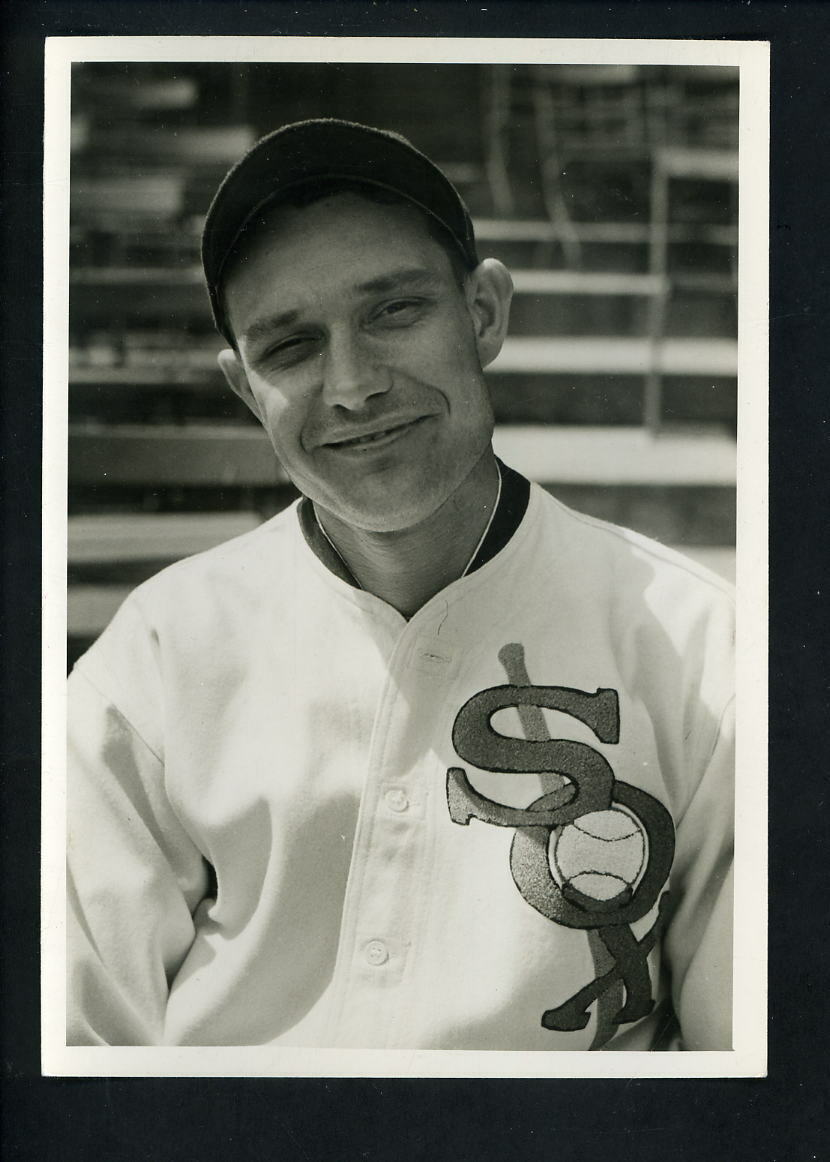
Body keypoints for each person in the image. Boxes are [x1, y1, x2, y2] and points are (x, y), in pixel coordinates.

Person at [67, 119, 734, 1050]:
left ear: (486, 313)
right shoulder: (161, 654)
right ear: (243, 388)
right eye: (290, 347)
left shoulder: (700, 646)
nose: (352, 385)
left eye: (394, 311)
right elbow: (74, 1047)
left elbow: (756, 1069)